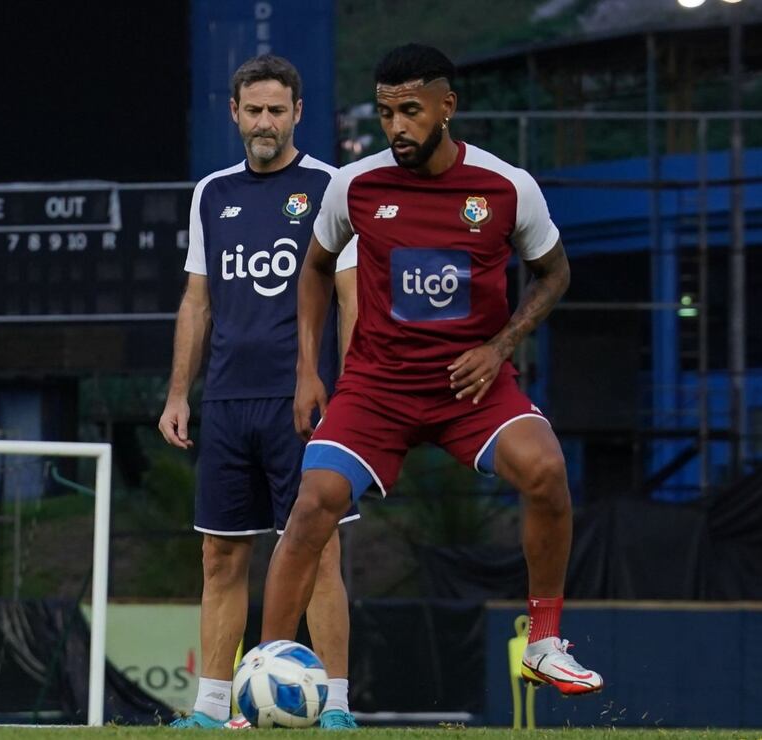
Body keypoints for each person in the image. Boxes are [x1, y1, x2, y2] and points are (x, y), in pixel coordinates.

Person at [258, 43, 603, 696]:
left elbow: (553, 272)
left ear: (448, 106)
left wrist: (501, 346)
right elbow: (315, 268)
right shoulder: (354, 186)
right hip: (377, 387)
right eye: (386, 114)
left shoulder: (506, 188)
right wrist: (308, 369)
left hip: (471, 387)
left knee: (547, 470)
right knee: (312, 505)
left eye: (410, 111)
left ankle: (546, 640)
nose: (397, 128)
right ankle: (267, 671)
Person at [158, 54, 360, 729]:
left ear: (298, 113)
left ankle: (335, 706)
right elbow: (197, 301)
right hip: (225, 404)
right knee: (220, 553)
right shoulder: (212, 192)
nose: (265, 121)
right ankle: (212, 709)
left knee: (320, 551)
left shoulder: (332, 187)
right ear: (235, 113)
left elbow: (350, 297)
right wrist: (178, 394)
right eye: (254, 110)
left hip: (302, 406)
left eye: (278, 109)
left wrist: (353, 392)